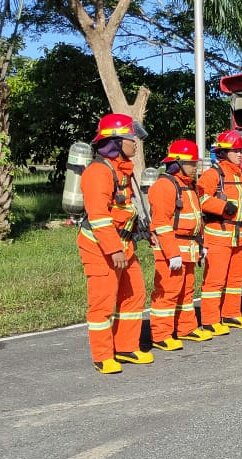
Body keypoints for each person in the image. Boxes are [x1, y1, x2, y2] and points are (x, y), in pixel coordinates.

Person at [79, 113, 154, 374]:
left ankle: (126, 347)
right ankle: (102, 355)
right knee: (103, 300)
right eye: (131, 138)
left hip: (124, 244)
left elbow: (126, 210)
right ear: (116, 142)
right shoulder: (98, 172)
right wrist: (113, 249)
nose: (135, 143)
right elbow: (99, 217)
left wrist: (145, 232)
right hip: (101, 247)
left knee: (134, 294)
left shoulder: (122, 170)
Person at [148, 140, 214, 351]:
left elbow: (196, 218)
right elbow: (161, 224)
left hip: (189, 248)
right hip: (172, 250)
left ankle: (186, 328)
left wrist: (201, 244)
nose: (195, 167)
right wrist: (172, 253)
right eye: (191, 163)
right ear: (177, 163)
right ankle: (161, 335)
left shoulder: (189, 185)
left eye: (195, 162)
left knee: (186, 292)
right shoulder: (164, 185)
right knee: (168, 292)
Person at [197, 129, 242, 335]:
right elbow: (200, 199)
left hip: (240, 236)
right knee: (215, 279)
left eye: (241, 150)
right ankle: (210, 319)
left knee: (235, 279)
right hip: (218, 236)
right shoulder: (213, 174)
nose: (240, 154)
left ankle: (231, 313)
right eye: (236, 150)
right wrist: (223, 207)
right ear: (224, 152)